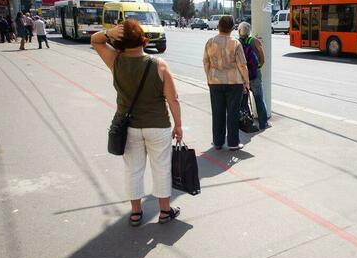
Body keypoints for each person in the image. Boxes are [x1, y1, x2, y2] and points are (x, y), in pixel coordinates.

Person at [91, 19, 182, 226]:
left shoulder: (115, 60)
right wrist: (178, 125)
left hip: (129, 126)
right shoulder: (159, 65)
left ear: (119, 41)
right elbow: (173, 99)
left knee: (133, 169)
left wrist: (109, 33)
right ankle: (165, 211)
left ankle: (135, 212)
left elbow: (95, 41)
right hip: (158, 126)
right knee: (161, 168)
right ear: (142, 39)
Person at [203, 15, 249, 150]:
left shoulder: (210, 42)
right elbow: (242, 65)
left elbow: (206, 62)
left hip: (215, 81)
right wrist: (246, 82)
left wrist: (209, 77)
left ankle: (218, 142)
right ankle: (233, 143)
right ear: (232, 27)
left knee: (217, 112)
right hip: (234, 83)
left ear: (218, 26)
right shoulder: (235, 43)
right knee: (233, 113)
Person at [237, 22, 270, 130]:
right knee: (259, 98)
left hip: (242, 76)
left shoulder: (236, 43)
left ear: (239, 31)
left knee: (244, 100)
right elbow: (263, 59)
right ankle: (263, 123)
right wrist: (257, 67)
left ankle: (248, 123)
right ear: (249, 31)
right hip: (255, 75)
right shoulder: (254, 41)